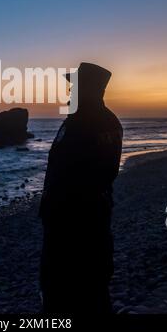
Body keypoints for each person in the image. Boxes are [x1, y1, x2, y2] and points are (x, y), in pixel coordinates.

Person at [39, 62, 123, 314]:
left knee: (65, 293)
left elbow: (73, 173)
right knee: (94, 290)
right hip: (93, 219)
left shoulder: (81, 123)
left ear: (87, 90)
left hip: (72, 225)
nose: (69, 93)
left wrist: (56, 212)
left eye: (74, 87)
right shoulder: (110, 122)